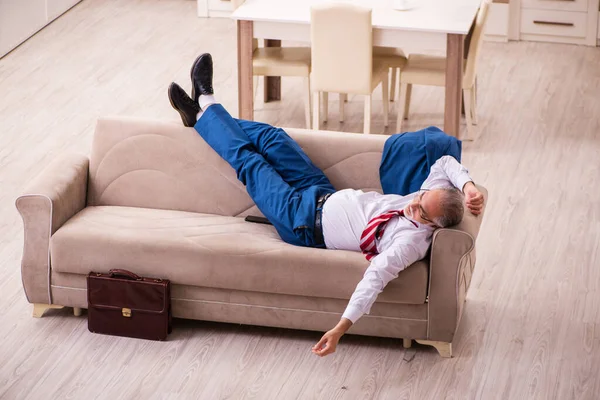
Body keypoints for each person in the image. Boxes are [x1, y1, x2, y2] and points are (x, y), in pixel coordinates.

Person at [168, 53, 485, 357]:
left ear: (433, 226)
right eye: (417, 197)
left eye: (419, 211)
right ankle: (199, 117)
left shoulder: (409, 244)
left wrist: (339, 329)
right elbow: (444, 162)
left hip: (300, 220)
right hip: (321, 191)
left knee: (249, 161)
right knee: (273, 139)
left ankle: (206, 102)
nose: (411, 204)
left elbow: (373, 281)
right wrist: (468, 186)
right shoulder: (428, 198)